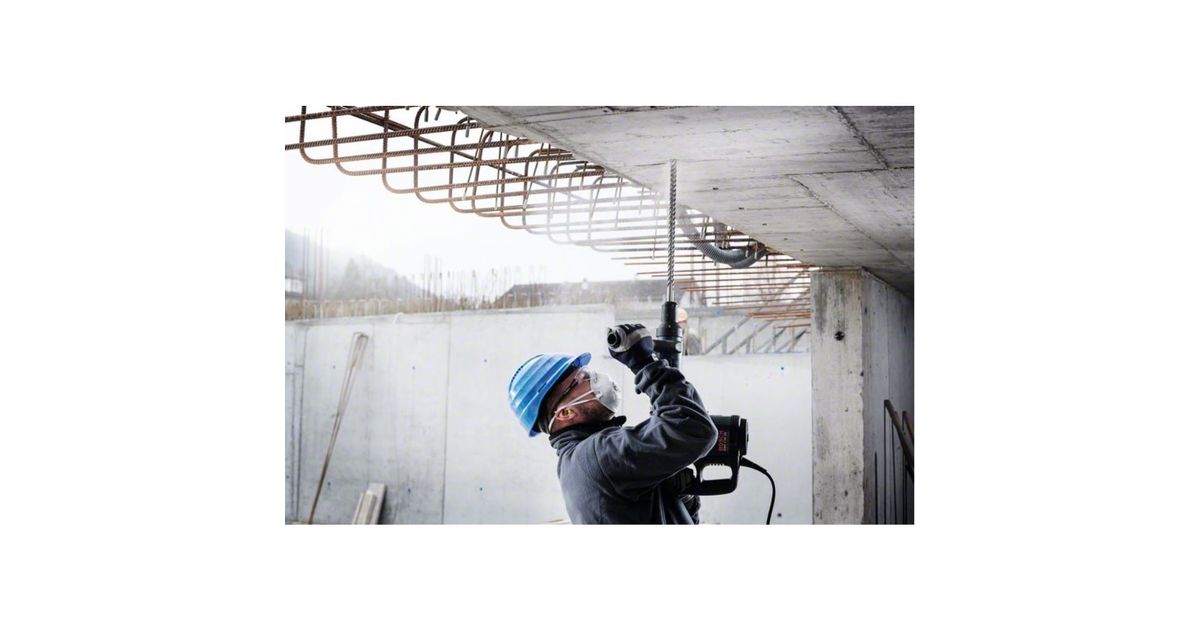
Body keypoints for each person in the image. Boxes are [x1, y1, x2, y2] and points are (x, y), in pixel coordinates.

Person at [507, 324, 717, 524]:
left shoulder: (582, 461)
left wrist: (680, 495)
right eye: (582, 378)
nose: (595, 377)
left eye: (588, 371)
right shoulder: (597, 457)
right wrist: (646, 366)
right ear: (565, 413)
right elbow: (695, 430)